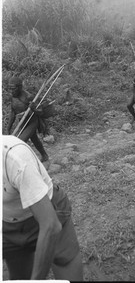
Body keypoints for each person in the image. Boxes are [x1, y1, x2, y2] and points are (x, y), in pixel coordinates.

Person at [2, 134, 83, 280]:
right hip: (8, 225)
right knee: (19, 277)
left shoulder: (14, 156)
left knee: (64, 261)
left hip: (48, 212)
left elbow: (50, 225)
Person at [6, 76, 49, 162]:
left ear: (19, 87)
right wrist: (8, 128)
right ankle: (44, 155)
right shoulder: (12, 97)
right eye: (9, 88)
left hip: (32, 122)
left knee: (20, 141)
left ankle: (21, 163)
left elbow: (41, 112)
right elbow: (13, 113)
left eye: (13, 89)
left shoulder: (28, 96)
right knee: (34, 139)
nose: (11, 91)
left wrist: (34, 108)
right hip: (22, 123)